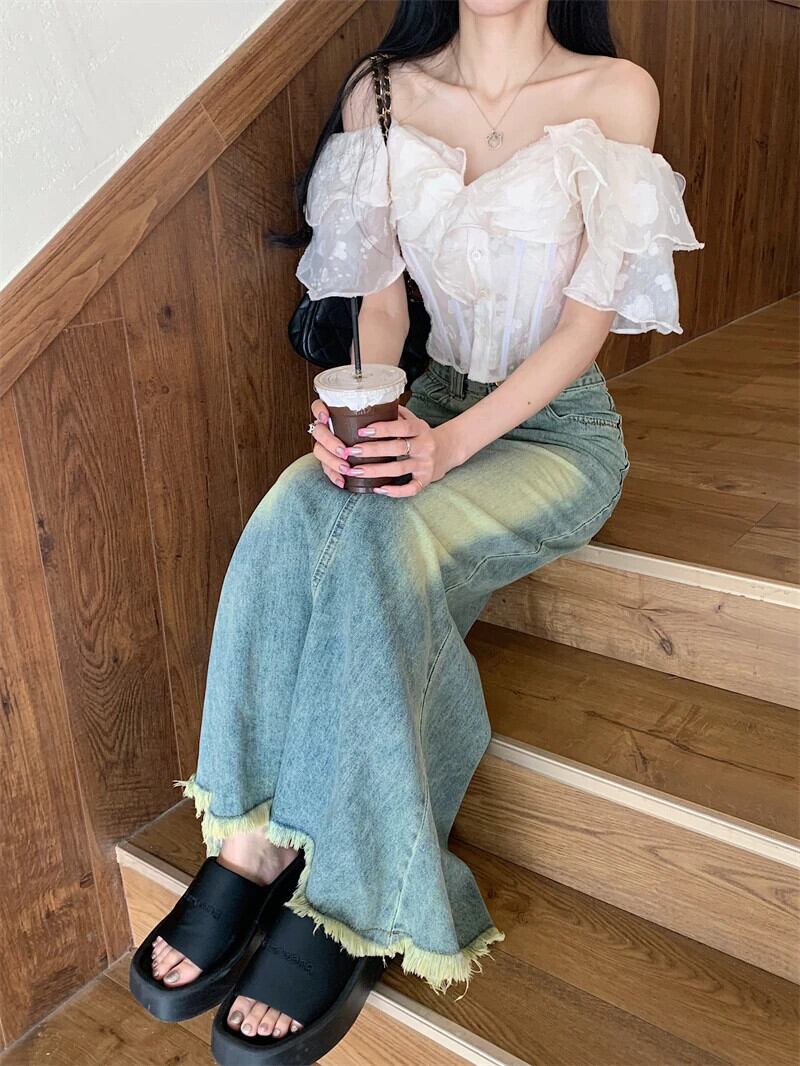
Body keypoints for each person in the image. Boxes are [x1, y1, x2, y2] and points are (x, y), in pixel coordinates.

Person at [129, 2, 704, 1062]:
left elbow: (585, 327)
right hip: (424, 399)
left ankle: (352, 896)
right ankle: (251, 845)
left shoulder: (614, 93)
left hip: (553, 433)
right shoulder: (382, 93)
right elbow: (383, 303)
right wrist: (368, 408)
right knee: (291, 508)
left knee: (385, 548)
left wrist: (448, 446)